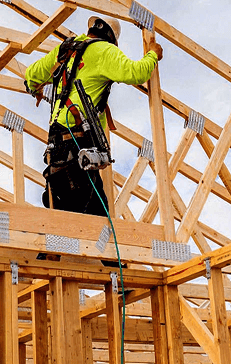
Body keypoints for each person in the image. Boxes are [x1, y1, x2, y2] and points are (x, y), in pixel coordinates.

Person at [24, 17, 163, 217]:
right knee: (92, 224)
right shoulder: (105, 50)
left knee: (75, 218)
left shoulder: (67, 48)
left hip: (56, 147)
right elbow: (136, 73)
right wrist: (153, 55)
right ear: (112, 38)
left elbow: (31, 74)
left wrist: (34, 88)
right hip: (77, 144)